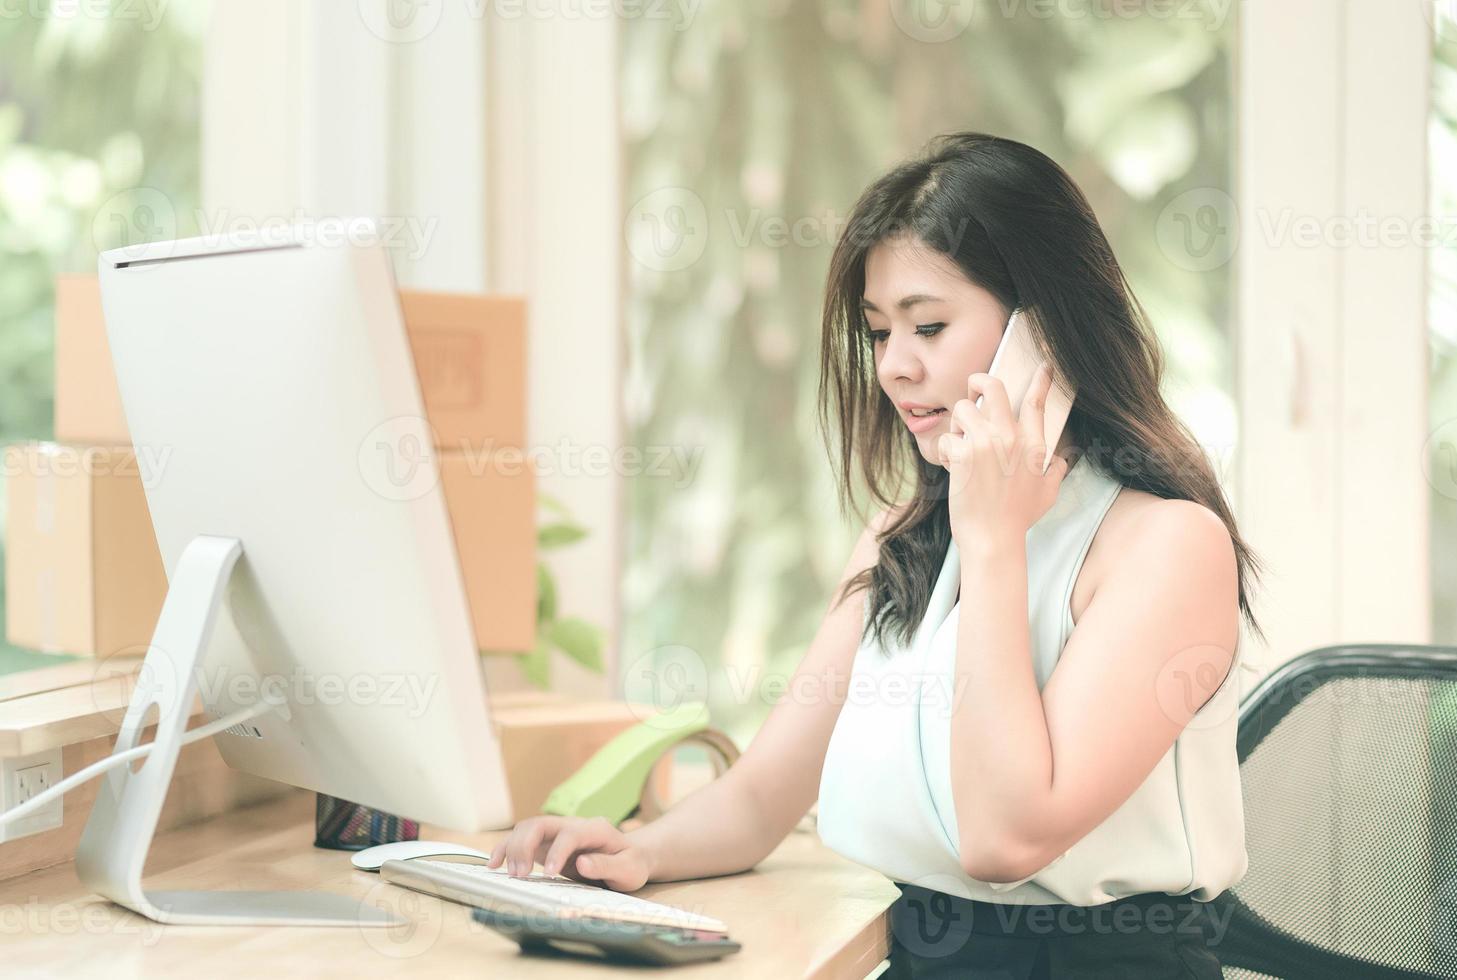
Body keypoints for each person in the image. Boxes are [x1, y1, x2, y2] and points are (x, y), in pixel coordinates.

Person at [487, 132, 1265, 979]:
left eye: (929, 325)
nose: (895, 367)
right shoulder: (907, 532)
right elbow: (761, 798)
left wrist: (994, 543)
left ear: (1042, 335)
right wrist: (635, 853)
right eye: (877, 332)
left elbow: (1005, 839)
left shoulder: (1169, 547)